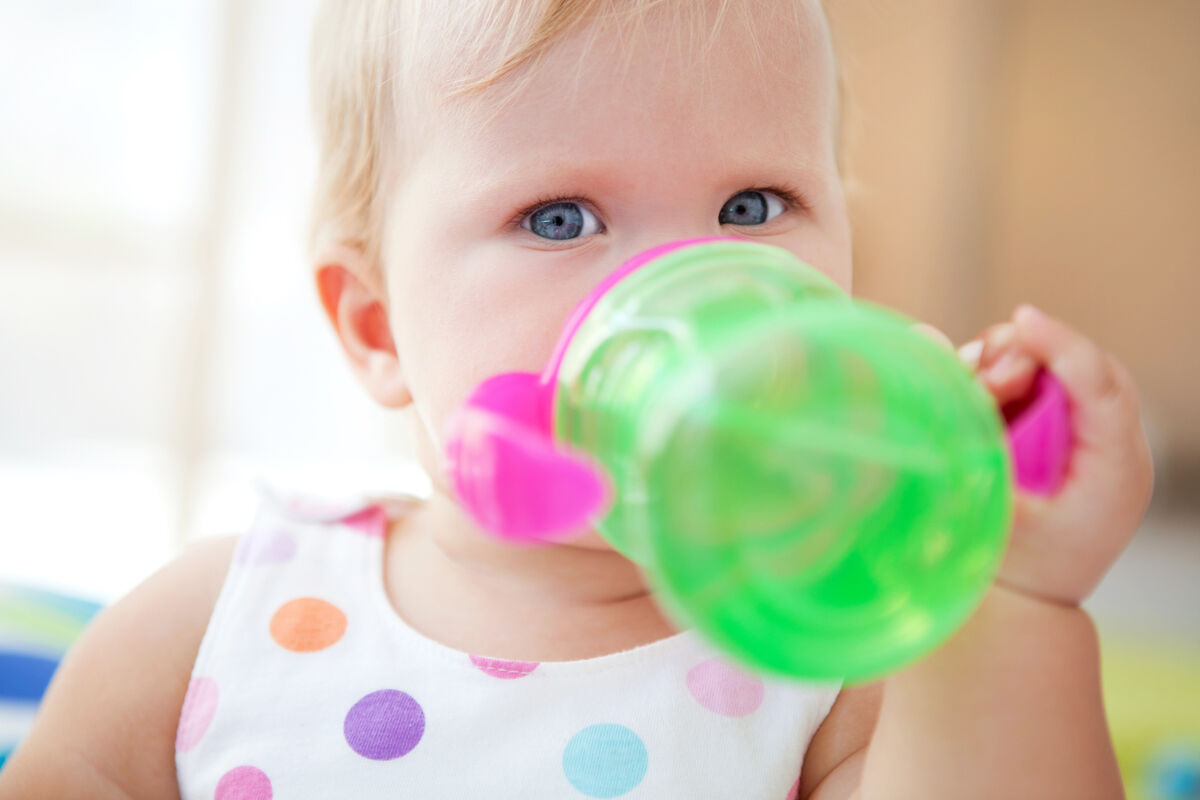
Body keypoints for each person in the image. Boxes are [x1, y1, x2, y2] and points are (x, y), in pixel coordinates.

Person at [0, 0, 1153, 797]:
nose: (678, 286)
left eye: (752, 206)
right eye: (560, 219)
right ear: (377, 322)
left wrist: (1000, 601)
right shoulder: (222, 617)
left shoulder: (834, 669)